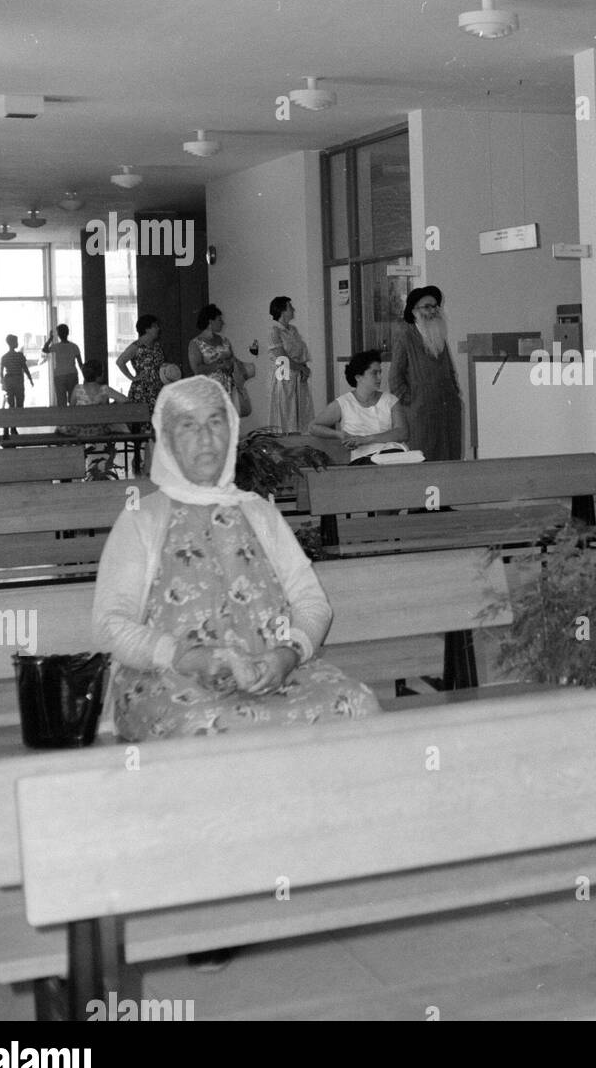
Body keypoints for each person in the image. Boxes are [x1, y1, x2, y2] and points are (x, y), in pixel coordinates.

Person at [92, 375, 379, 742]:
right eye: (188, 425)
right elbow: (110, 623)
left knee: (358, 705)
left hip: (273, 670)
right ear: (165, 440)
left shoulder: (259, 513)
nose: (205, 437)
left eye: (215, 422)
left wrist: (288, 654)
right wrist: (185, 656)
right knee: (212, 728)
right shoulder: (141, 519)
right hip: (170, 676)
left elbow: (311, 602)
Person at [390, 286, 464, 461]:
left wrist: (454, 391)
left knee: (450, 454)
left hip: (447, 408)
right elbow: (395, 378)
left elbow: (450, 370)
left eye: (435, 307)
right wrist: (413, 400)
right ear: (414, 311)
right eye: (427, 307)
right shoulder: (405, 337)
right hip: (420, 412)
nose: (432, 311)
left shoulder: (439, 335)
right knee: (424, 456)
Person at [309, 349, 410, 463]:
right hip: (364, 458)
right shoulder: (344, 403)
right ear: (358, 377)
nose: (379, 377)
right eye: (374, 373)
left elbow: (403, 433)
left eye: (380, 372)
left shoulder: (391, 400)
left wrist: (365, 439)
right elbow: (313, 427)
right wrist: (339, 434)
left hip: (394, 454)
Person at [267, 296, 314, 434]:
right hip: (283, 376)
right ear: (282, 310)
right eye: (290, 307)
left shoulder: (293, 330)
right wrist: (302, 369)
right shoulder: (274, 331)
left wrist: (304, 368)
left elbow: (301, 351)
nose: (293, 310)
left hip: (298, 377)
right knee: (285, 413)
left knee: (301, 414)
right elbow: (282, 358)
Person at [187, 304, 239, 407]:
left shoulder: (225, 341)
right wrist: (219, 365)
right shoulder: (196, 343)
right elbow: (197, 369)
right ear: (210, 321)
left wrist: (230, 365)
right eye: (219, 320)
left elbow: (232, 364)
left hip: (227, 390)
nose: (223, 323)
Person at [116, 313, 166, 413]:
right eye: (155, 326)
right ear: (147, 329)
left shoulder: (157, 346)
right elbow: (120, 361)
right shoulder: (136, 346)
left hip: (158, 388)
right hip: (143, 390)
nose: (158, 329)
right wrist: (133, 378)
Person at [42, 323, 84, 406]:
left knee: (61, 400)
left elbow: (45, 350)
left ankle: (63, 417)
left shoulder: (56, 346)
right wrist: (85, 376)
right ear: (68, 333)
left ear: (58, 334)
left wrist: (50, 339)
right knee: (73, 400)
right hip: (72, 374)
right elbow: (80, 364)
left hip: (59, 375)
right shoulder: (74, 346)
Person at [0, 335, 34, 411]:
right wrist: (30, 379)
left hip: (9, 380)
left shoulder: (4, 357)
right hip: (18, 380)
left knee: (11, 402)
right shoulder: (20, 356)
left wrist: (2, 382)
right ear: (14, 343)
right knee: (20, 401)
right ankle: (20, 418)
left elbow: (1, 372)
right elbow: (25, 368)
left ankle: (12, 419)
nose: (17, 343)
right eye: (16, 341)